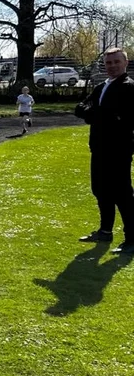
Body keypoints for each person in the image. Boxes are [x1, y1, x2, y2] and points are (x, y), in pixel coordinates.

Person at [75, 47, 134, 254]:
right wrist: (97, 114)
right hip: (98, 148)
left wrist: (95, 114)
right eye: (108, 63)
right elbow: (80, 107)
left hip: (119, 150)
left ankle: (132, 239)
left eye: (116, 62)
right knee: (100, 190)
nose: (112, 66)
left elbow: (117, 118)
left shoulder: (128, 88)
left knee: (123, 194)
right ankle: (105, 231)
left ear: (125, 63)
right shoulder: (101, 87)